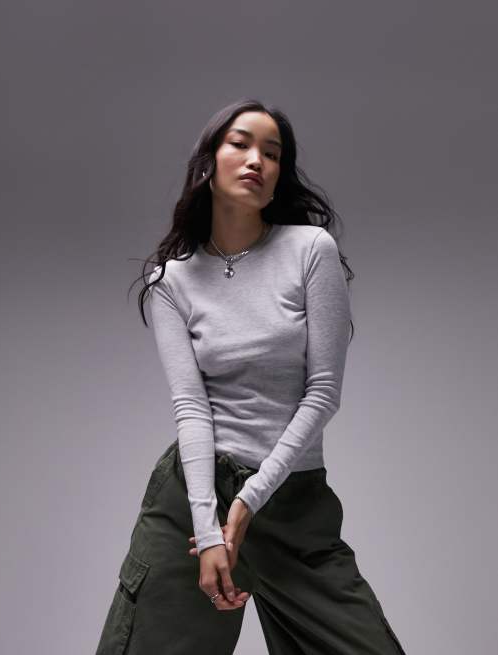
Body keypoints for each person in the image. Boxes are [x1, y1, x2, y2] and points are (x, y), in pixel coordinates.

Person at [95, 98, 407, 654]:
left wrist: (247, 502)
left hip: (290, 504)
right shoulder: (171, 281)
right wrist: (209, 528)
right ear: (208, 162)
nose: (257, 160)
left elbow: (323, 393)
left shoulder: (309, 251)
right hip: (193, 504)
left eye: (272, 153)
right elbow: (192, 408)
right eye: (240, 144)